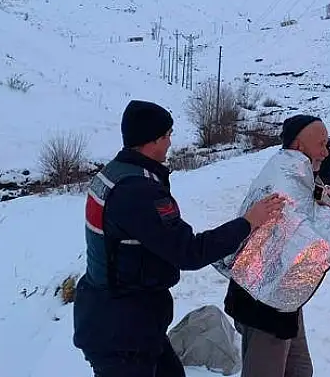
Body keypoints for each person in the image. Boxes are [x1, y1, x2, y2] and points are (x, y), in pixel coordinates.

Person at [73, 99, 285, 377]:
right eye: (167, 136)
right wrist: (248, 223)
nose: (170, 143)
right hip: (122, 332)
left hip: (123, 317)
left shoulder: (115, 172)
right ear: (150, 141)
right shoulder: (138, 191)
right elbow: (189, 252)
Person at [224, 114, 330, 377]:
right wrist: (325, 211)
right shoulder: (285, 179)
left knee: (300, 369)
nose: (326, 152)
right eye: (321, 144)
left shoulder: (296, 174)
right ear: (298, 145)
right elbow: (307, 234)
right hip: (263, 302)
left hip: (282, 295)